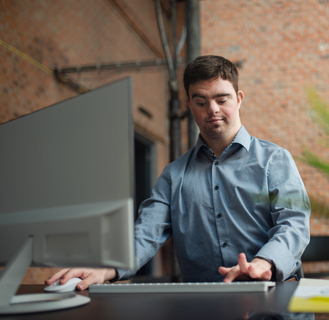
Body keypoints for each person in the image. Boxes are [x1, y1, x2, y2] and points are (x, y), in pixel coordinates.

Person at [45, 55, 310, 291]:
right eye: (201, 101)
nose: (213, 109)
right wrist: (106, 268)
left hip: (276, 300)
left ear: (239, 99)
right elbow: (146, 232)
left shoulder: (275, 160)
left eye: (222, 99)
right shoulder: (173, 175)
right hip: (206, 308)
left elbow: (294, 224)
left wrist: (264, 263)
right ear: (189, 105)